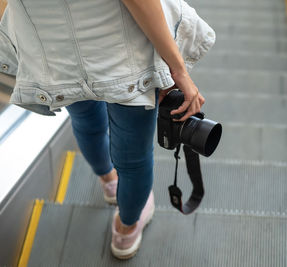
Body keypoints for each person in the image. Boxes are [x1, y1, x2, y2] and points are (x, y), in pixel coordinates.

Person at [0, 0, 215, 260]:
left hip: (56, 58)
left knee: (86, 124)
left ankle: (109, 183)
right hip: (124, 57)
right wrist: (178, 70)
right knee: (134, 158)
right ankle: (126, 230)